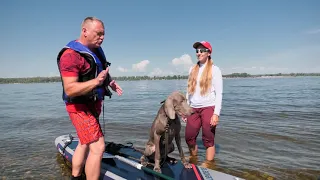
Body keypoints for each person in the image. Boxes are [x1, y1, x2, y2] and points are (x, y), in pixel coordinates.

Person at [56, 17, 123, 180]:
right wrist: (96, 81)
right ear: (84, 31)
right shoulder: (71, 55)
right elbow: (70, 89)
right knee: (98, 147)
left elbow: (99, 71)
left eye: (103, 34)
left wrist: (109, 82)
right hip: (79, 107)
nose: (102, 37)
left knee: (84, 142)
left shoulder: (96, 50)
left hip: (93, 103)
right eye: (98, 33)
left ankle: (76, 176)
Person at [183, 41, 223, 163]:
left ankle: (209, 166)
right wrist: (185, 109)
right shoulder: (192, 69)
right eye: (197, 51)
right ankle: (194, 160)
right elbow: (188, 91)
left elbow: (219, 93)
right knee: (189, 137)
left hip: (208, 108)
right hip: (193, 108)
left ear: (209, 53)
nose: (198, 53)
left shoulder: (215, 70)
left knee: (208, 139)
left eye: (202, 51)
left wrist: (216, 113)